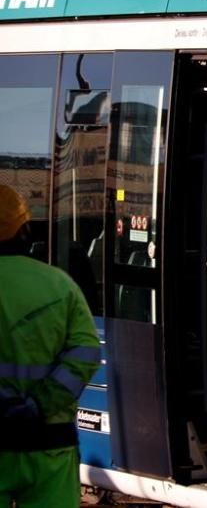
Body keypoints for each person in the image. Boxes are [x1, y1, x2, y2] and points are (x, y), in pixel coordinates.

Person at [0, 184, 100, 508]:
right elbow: (85, 354)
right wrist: (37, 407)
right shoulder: (61, 285)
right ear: (24, 232)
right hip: (49, 444)